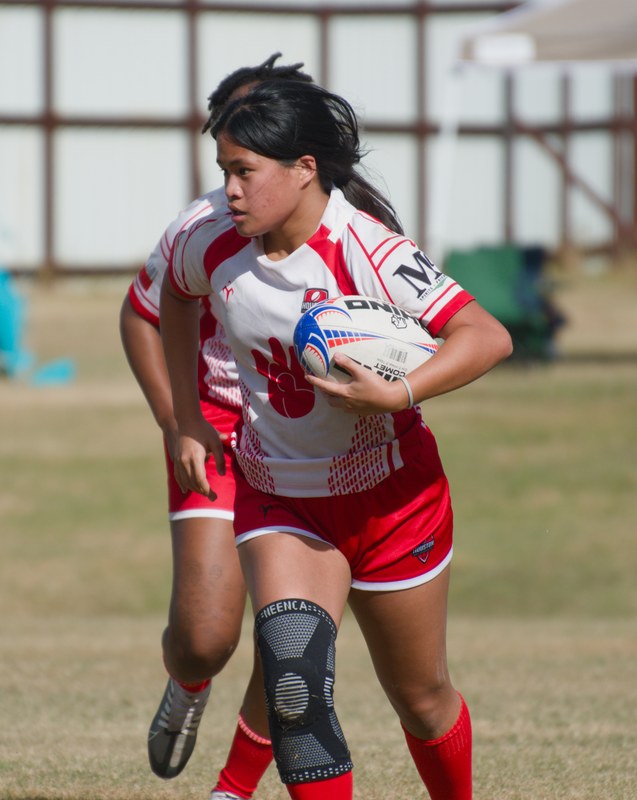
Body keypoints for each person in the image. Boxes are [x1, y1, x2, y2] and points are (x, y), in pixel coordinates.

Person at [159, 79, 513, 800]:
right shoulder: (213, 244)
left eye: (243, 171)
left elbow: (486, 335)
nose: (227, 190)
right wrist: (187, 416)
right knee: (293, 682)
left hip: (392, 502)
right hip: (282, 500)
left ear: (303, 168)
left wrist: (400, 391)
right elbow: (173, 294)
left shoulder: (367, 248)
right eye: (223, 170)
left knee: (420, 698)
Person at [119, 55, 313, 800]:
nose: (236, 173)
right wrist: (178, 422)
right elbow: (141, 313)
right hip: (219, 429)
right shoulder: (202, 228)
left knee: (292, 626)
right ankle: (188, 681)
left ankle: (233, 786)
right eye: (229, 147)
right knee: (205, 635)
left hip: (305, 440)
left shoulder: (359, 230)